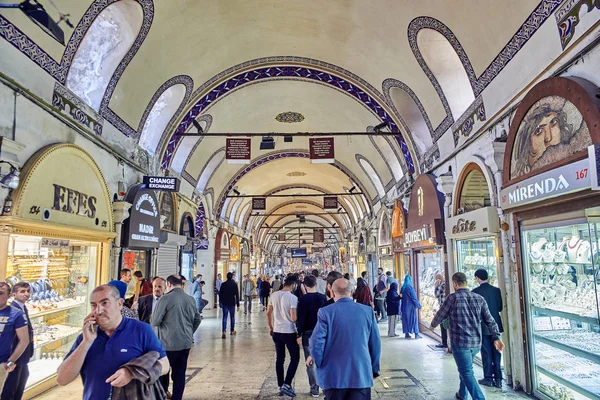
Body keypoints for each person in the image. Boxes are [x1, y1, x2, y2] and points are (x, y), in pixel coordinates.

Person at [57, 284, 169, 400]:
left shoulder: (141, 330)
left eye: (104, 303)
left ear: (119, 304)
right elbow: (62, 379)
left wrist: (131, 372)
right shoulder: (85, 338)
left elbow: (165, 364)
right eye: (94, 305)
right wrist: (86, 342)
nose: (98, 311)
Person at [431, 272, 504, 400]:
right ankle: (462, 393)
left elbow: (440, 314)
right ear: (466, 282)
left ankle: (479, 398)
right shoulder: (479, 298)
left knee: (466, 372)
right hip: (476, 343)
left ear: (454, 283)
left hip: (460, 343)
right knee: (465, 368)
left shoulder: (452, 298)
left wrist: (432, 326)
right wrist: (496, 337)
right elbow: (490, 320)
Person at [308, 279, 381, 400]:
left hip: (334, 376)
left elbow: (316, 343)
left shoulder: (325, 312)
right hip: (361, 375)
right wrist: (373, 369)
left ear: (332, 292)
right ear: (352, 291)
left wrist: (321, 364)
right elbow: (375, 344)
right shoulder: (367, 311)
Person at [152, 275, 201, 400]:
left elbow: (155, 321)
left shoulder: (165, 299)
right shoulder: (190, 299)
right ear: (181, 284)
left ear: (168, 284)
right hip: (185, 343)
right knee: (179, 374)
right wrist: (189, 332)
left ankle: (162, 395)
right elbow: (197, 319)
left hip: (168, 343)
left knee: (163, 373)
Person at [267, 275, 300, 397]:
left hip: (277, 331)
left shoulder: (274, 295)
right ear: (293, 285)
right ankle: (287, 384)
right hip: (289, 332)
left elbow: (268, 313)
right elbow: (293, 318)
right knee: (295, 358)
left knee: (280, 359)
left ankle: (280, 385)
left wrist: (271, 327)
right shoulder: (292, 298)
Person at [472, 269, 504, 388]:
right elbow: (500, 308)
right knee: (497, 351)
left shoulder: (475, 292)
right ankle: (499, 379)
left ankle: (488, 378)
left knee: (486, 352)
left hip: (483, 327)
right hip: (496, 326)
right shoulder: (496, 291)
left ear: (477, 278)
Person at [296, 275, 327, 397]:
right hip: (323, 333)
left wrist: (299, 334)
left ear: (305, 285)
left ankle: (314, 388)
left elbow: (301, 319)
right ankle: (325, 386)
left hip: (308, 333)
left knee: (310, 362)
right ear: (316, 284)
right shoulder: (323, 298)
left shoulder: (303, 300)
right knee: (324, 361)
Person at [1, 282, 32, 400]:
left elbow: (24, 340)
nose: (27, 294)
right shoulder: (16, 311)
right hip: (14, 361)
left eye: (28, 291)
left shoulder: (17, 312)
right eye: (22, 291)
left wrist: (12, 361)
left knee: (14, 392)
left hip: (15, 361)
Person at [219, 272, 239, 338]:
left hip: (225, 303)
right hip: (232, 303)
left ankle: (224, 331)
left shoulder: (223, 284)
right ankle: (232, 331)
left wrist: (220, 302)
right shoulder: (234, 284)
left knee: (224, 317)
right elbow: (237, 295)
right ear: (232, 277)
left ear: (226, 277)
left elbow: (220, 294)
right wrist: (238, 304)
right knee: (232, 317)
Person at [434, 273, 448, 349]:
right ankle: (445, 342)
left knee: (443, 325)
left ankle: (444, 342)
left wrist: (436, 287)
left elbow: (436, 295)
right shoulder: (446, 284)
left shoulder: (442, 285)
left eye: (437, 278)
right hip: (447, 307)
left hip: (443, 307)